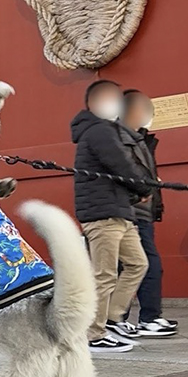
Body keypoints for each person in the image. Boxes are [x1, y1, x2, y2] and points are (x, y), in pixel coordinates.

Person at [71, 80, 151, 352]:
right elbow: (121, 165)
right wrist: (143, 186)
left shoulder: (108, 130)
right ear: (92, 103)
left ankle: (114, 318)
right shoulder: (98, 131)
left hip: (119, 211)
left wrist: (135, 194)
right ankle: (92, 333)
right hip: (102, 214)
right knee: (104, 274)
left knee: (138, 263)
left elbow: (113, 176)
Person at [119, 90, 178, 336]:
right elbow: (122, 175)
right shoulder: (116, 139)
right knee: (130, 266)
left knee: (145, 265)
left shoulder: (142, 140)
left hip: (143, 212)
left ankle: (147, 317)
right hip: (126, 211)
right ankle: (118, 319)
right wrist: (142, 190)